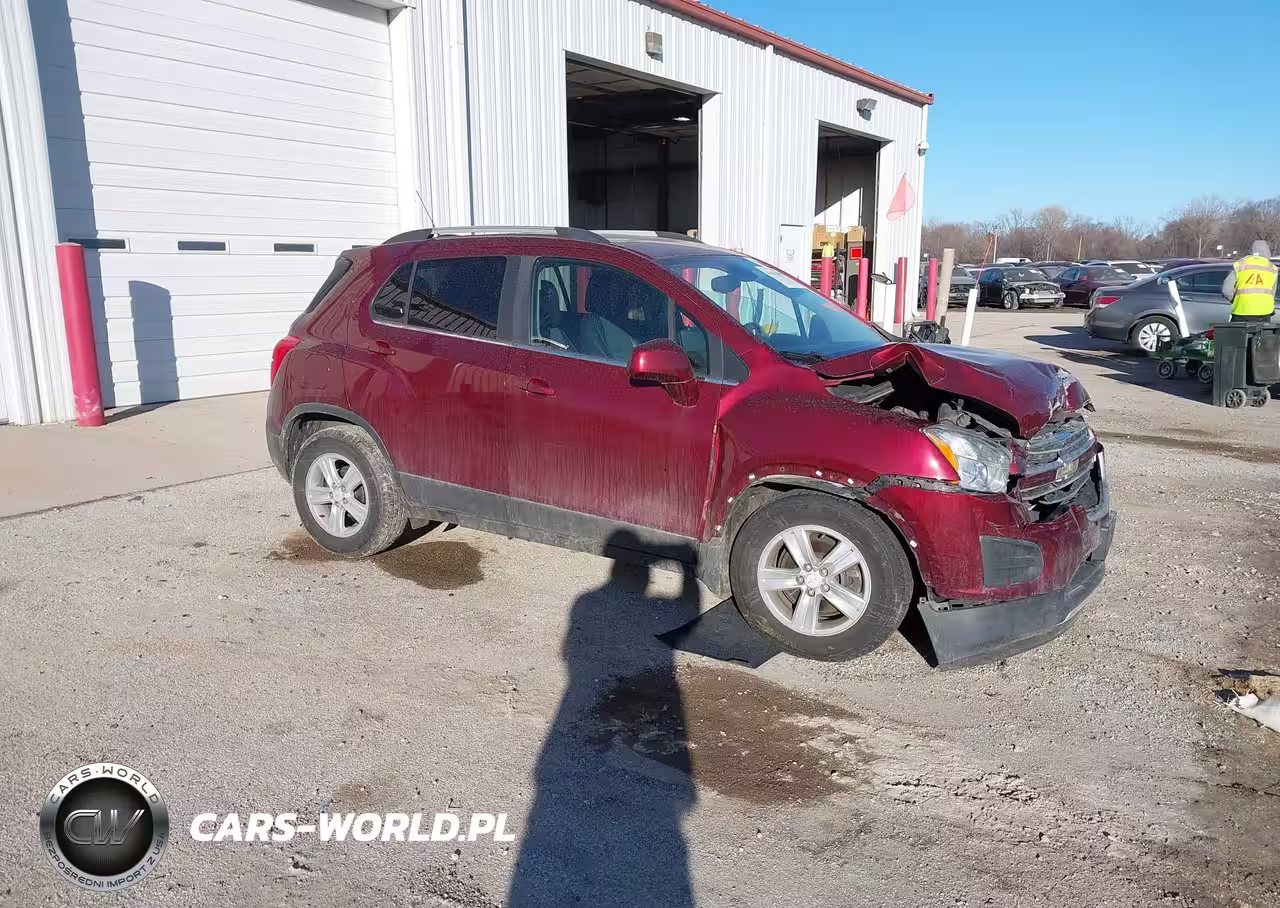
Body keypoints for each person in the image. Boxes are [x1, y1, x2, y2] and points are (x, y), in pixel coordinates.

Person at [1221, 240, 1278, 323]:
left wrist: (1237, 299)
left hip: (1242, 311)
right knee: (1260, 336)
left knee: (1238, 336)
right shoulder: (1272, 268)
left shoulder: (1240, 265)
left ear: (1251, 251)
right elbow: (1272, 293)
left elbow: (1226, 290)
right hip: (1265, 313)